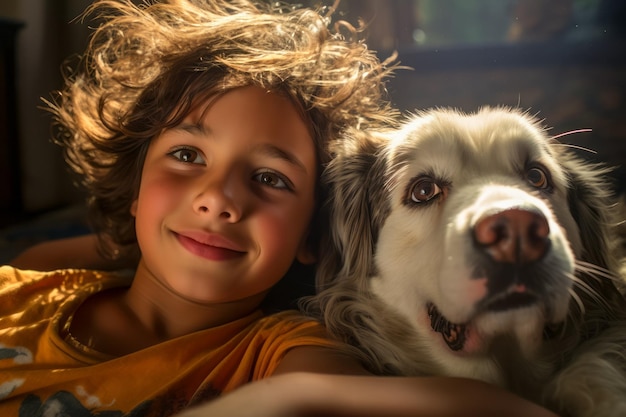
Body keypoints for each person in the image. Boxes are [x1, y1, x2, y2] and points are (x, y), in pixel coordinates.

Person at [2, 0, 559, 416]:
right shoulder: (28, 284)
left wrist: (296, 395)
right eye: (188, 154)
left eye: (270, 178)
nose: (219, 199)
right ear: (135, 186)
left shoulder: (282, 353)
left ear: (313, 233)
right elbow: (55, 250)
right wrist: (127, 235)